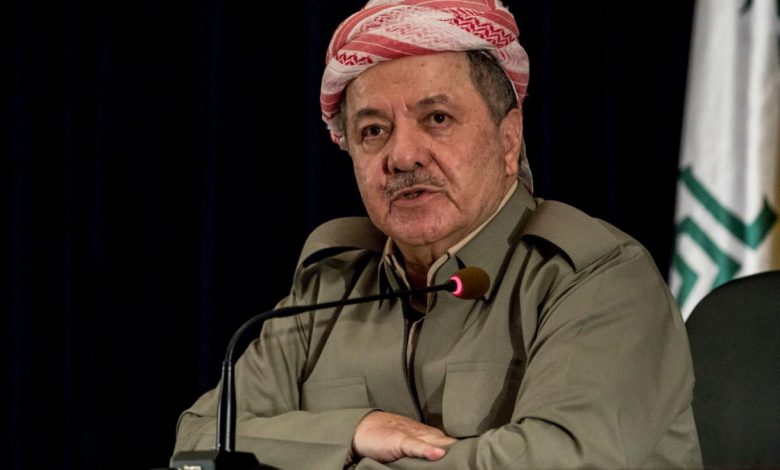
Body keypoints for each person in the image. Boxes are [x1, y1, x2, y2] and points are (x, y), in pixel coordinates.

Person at [173, 1, 702, 468]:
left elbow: (558, 461)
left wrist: (322, 459)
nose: (402, 156)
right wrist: (356, 432)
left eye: (438, 118)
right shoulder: (329, 287)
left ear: (508, 139)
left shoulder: (597, 276)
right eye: (373, 131)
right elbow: (200, 442)